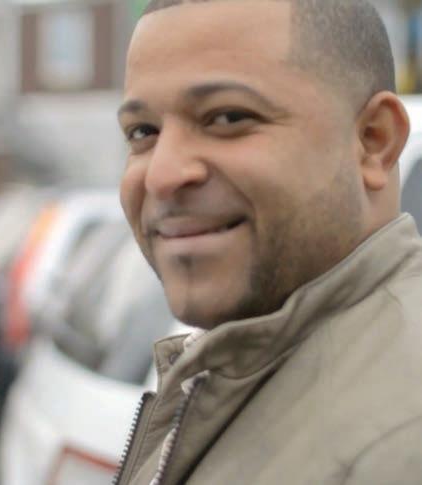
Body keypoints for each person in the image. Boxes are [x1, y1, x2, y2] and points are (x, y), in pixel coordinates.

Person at [114, 0, 422, 484]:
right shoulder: (240, 366)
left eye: (227, 117)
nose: (162, 175)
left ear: (373, 139)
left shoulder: (401, 441)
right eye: (143, 131)